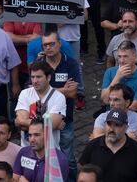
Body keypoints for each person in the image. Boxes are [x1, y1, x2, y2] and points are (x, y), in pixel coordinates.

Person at [36, 30, 81, 180]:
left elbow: (73, 93)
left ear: (60, 44)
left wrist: (45, 88)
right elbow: (32, 91)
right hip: (40, 120)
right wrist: (63, 89)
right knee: (42, 157)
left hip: (64, 120)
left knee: (67, 158)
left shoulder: (70, 63)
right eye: (45, 45)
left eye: (52, 44)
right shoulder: (39, 65)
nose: (48, 47)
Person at [79, 108, 137, 181]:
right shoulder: (93, 146)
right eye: (109, 124)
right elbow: (82, 174)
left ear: (126, 128)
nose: (111, 129)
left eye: (117, 125)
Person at [101, 41, 137, 132]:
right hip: (110, 125)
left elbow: (134, 107)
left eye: (125, 56)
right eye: (119, 56)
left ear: (135, 57)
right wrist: (117, 78)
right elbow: (104, 100)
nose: (121, 61)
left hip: (131, 125)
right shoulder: (110, 72)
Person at [15, 61, 67, 148]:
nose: (35, 81)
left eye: (39, 77)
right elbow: (20, 122)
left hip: (50, 151)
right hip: (27, 149)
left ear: (48, 77)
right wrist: (50, 125)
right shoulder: (24, 93)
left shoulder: (59, 97)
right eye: (32, 77)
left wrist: (23, 123)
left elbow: (51, 125)